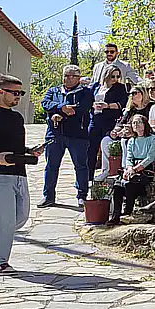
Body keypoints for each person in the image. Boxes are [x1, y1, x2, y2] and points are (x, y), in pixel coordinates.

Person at [0, 74, 40, 272]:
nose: (18, 96)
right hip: (0, 175)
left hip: (19, 173)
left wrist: (29, 151)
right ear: (0, 92)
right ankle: (1, 262)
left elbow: (16, 145)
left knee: (20, 217)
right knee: (6, 220)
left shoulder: (17, 117)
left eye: (20, 93)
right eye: (14, 92)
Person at [39, 64, 94, 208]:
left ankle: (82, 196)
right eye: (66, 76)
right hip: (55, 134)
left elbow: (81, 109)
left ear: (79, 78)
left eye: (72, 76)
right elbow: (45, 103)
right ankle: (48, 196)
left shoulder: (86, 92)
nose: (68, 79)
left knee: (81, 166)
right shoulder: (54, 90)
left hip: (77, 135)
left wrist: (60, 115)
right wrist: (60, 108)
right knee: (51, 166)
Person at [106, 115, 155, 225]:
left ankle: (127, 211)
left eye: (139, 122)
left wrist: (134, 170)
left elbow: (150, 158)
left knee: (130, 184)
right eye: (134, 123)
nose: (136, 125)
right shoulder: (131, 141)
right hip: (133, 170)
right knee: (118, 187)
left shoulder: (153, 138)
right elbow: (129, 158)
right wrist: (129, 169)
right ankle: (116, 216)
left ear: (145, 124)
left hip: (147, 170)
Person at [88, 65, 127, 176]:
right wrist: (93, 105)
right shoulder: (96, 86)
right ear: (106, 75)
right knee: (90, 148)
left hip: (109, 120)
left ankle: (107, 171)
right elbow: (89, 100)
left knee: (107, 144)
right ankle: (88, 176)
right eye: (112, 76)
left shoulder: (120, 87)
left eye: (117, 76)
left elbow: (122, 103)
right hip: (95, 119)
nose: (115, 79)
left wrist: (107, 105)